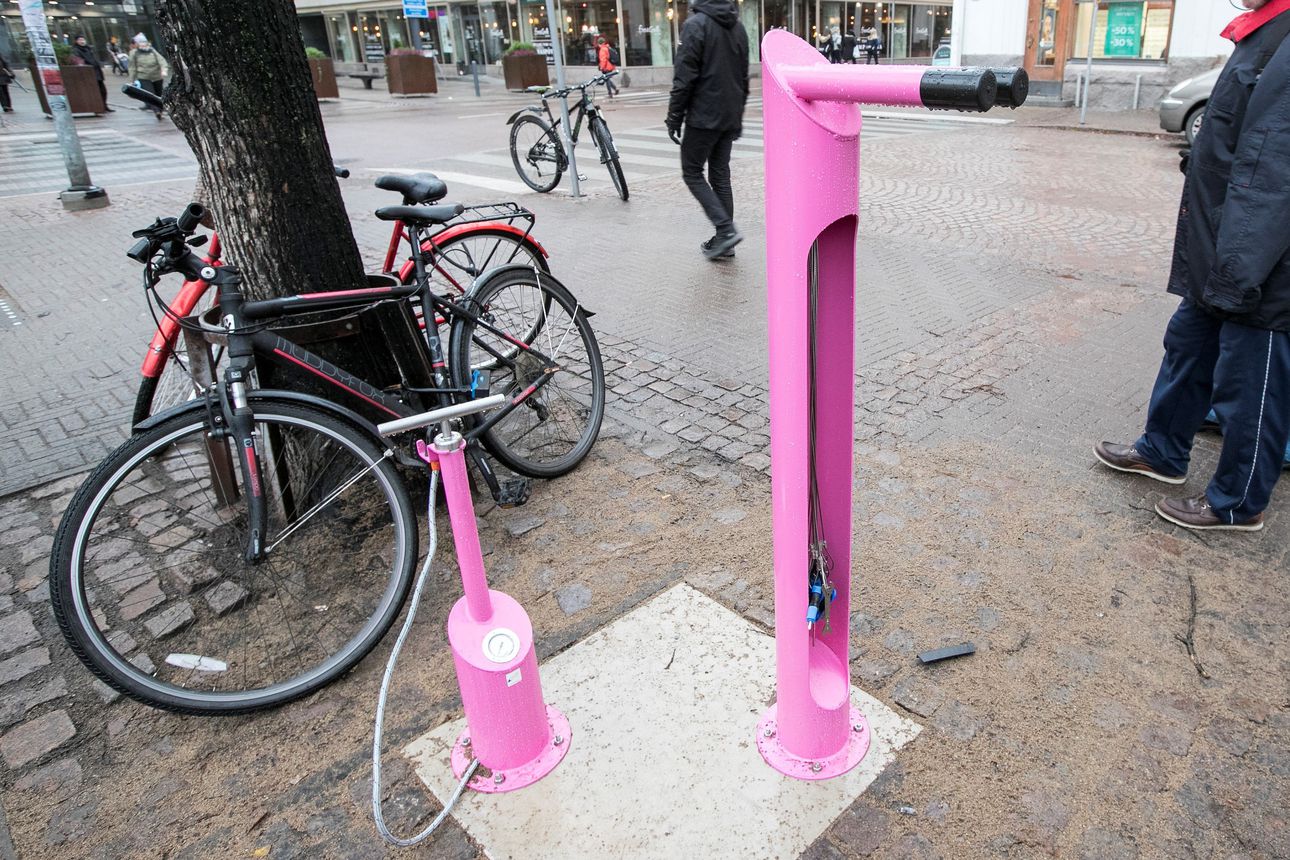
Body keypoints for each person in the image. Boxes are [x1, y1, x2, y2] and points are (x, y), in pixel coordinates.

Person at [1094, 0, 1290, 532]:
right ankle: (1163, 451)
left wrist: (1238, 270)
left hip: (1259, 266)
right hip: (1221, 248)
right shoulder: (1263, 31)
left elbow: (1274, 169)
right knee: (1188, 346)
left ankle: (1238, 504)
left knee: (1252, 384)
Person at [666, 0, 750, 261]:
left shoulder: (695, 25)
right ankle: (725, 240)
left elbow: (684, 77)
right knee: (720, 175)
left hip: (704, 115)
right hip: (728, 113)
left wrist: (674, 117)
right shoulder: (738, 27)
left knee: (691, 172)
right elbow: (743, 75)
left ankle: (725, 231)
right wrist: (738, 116)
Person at [127, 35, 169, 121]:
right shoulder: (134, 53)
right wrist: (131, 79)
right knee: (150, 94)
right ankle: (157, 111)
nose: (143, 45)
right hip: (144, 77)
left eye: (144, 43)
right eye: (140, 43)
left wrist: (164, 69)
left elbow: (161, 60)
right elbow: (132, 67)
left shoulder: (152, 51)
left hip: (157, 76)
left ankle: (160, 111)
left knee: (159, 94)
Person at [71, 35, 112, 112]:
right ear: (76, 41)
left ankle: (104, 105)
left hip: (97, 72)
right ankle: (99, 107)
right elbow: (79, 61)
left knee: (103, 91)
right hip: (89, 73)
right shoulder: (76, 50)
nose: (82, 41)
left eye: (83, 39)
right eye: (80, 40)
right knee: (95, 92)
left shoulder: (88, 48)